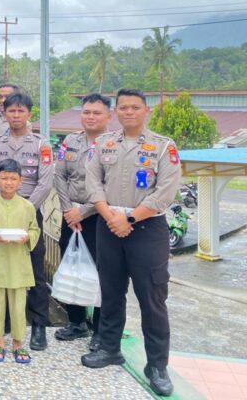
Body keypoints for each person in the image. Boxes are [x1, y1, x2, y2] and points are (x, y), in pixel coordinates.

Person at [82, 88, 181, 397]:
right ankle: (109, 348)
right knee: (111, 291)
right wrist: (110, 217)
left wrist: (130, 219)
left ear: (146, 111)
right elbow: (93, 182)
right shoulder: (103, 143)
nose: (128, 112)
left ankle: (157, 366)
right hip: (108, 223)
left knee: (152, 298)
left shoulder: (163, 147)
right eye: (123, 107)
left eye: (134, 107)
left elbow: (165, 192)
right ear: (116, 112)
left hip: (147, 228)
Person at [0, 92, 54, 351]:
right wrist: (3, 201)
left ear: (29, 114)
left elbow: (45, 181)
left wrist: (25, 208)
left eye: (21, 111)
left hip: (30, 212)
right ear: (4, 113)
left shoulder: (41, 144)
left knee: (34, 271)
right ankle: (3, 325)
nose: (16, 115)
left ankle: (39, 325)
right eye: (11, 111)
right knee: (1, 268)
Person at [54, 93, 112, 350]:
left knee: (101, 273)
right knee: (71, 267)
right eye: (86, 112)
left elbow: (110, 185)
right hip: (70, 216)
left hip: (100, 217)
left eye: (96, 112)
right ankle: (76, 322)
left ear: (108, 116)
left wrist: (84, 212)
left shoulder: (113, 144)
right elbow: (59, 176)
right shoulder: (70, 141)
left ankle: (100, 329)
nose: (90, 117)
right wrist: (69, 210)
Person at [0, 159, 41, 365]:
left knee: (18, 304)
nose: (8, 183)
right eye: (4, 178)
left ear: (20, 181)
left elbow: (34, 230)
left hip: (19, 262)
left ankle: (18, 342)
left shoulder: (27, 206)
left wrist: (28, 238)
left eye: (13, 179)